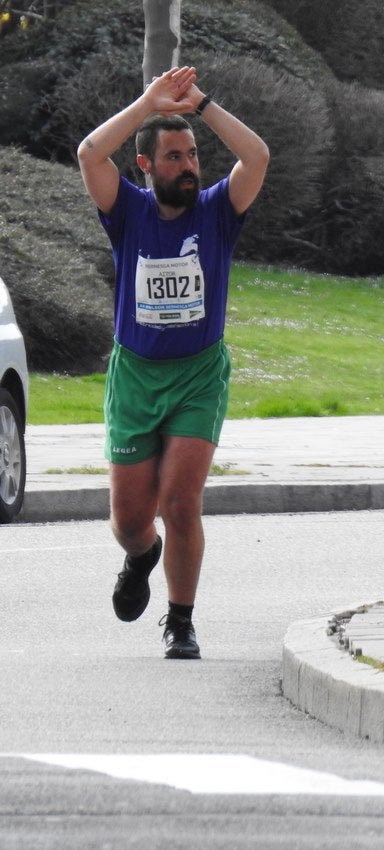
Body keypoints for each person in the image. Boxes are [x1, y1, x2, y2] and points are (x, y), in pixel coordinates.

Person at [77, 66, 269, 660]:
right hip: (135, 376)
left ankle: (180, 620)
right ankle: (140, 556)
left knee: (181, 501)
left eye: (192, 156)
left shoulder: (216, 210)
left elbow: (257, 156)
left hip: (198, 376)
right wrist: (148, 103)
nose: (188, 166)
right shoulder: (127, 211)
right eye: (174, 157)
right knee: (131, 519)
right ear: (147, 166)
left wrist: (201, 104)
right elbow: (89, 153)